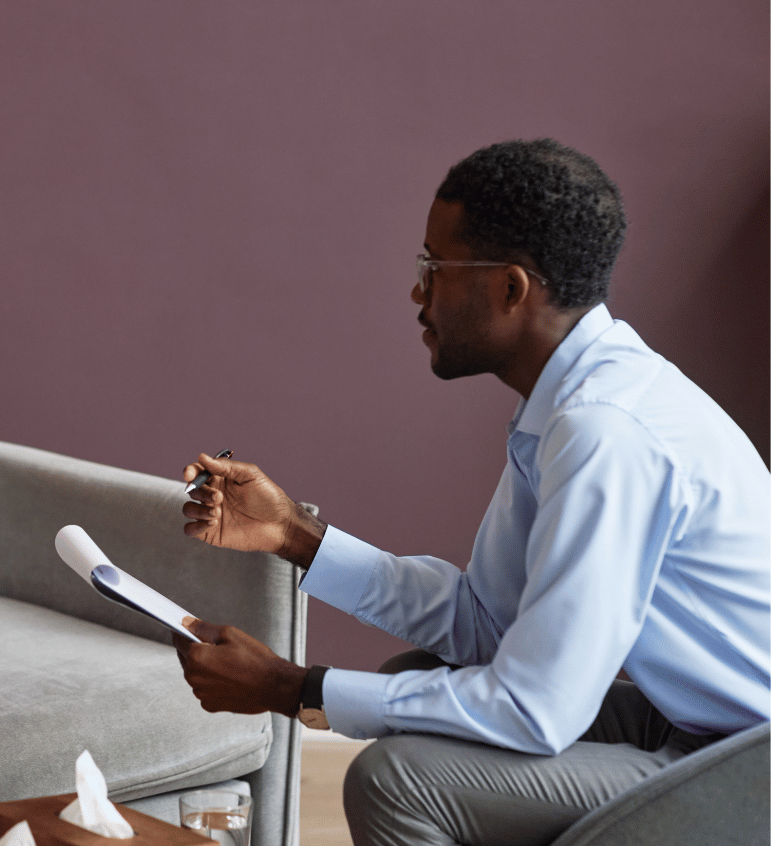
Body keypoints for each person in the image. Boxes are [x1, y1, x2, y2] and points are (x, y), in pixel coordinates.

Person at [173, 138, 770, 846]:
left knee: (395, 781)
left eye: (433, 266)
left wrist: (290, 688)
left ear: (511, 288)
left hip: (748, 769)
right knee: (422, 674)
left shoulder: (604, 434)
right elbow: (486, 626)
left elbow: (537, 707)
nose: (417, 291)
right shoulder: (569, 405)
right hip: (700, 726)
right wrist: (292, 536)